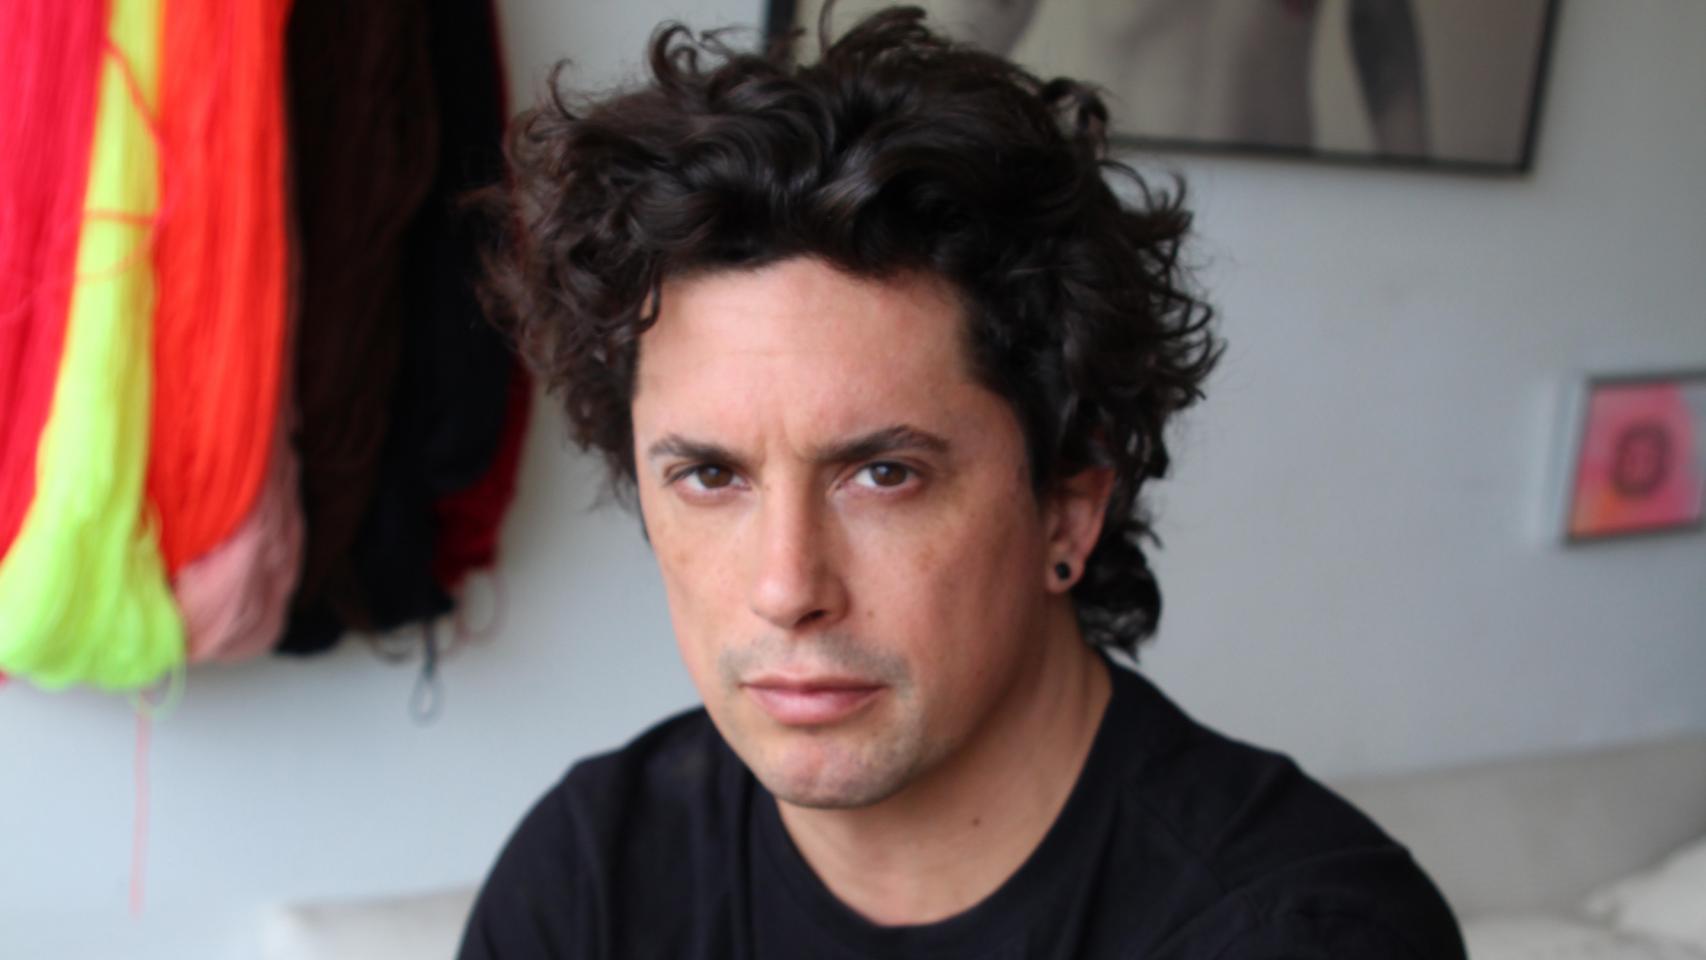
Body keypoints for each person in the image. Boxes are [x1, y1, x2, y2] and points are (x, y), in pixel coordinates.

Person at [459, 6, 1465, 957]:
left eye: (882, 473)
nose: (785, 586)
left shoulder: (1299, 934)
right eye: (712, 474)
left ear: (1070, 500)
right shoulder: (586, 880)